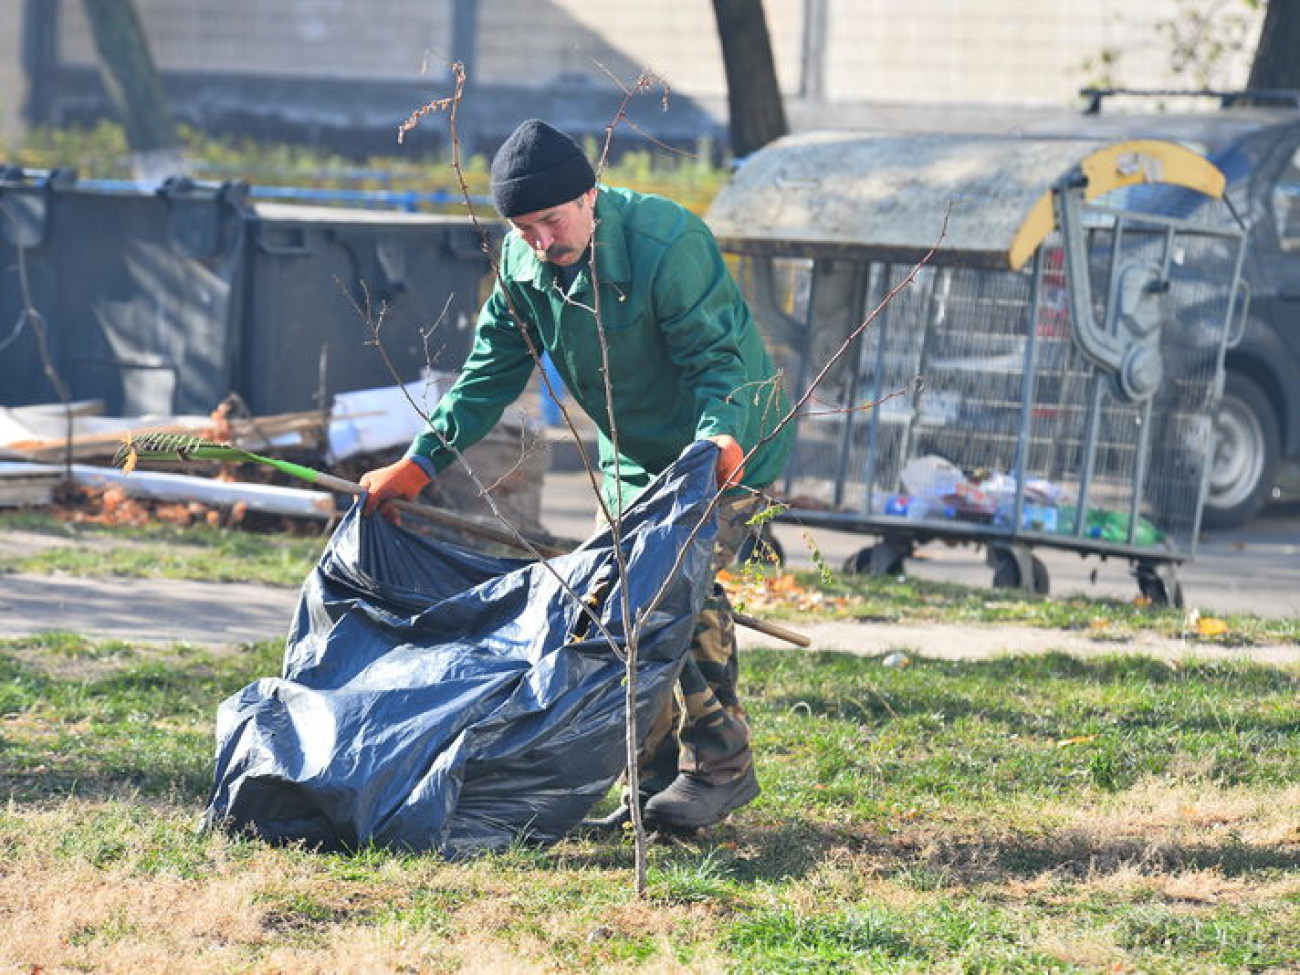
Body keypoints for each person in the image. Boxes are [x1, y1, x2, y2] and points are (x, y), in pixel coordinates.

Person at [360, 118, 793, 831]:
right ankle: (646, 790)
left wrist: (722, 436)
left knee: (665, 594)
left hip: (724, 443)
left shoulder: (667, 244)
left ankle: (720, 765)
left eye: (551, 221)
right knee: (604, 608)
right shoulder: (523, 264)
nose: (540, 241)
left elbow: (722, 364)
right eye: (523, 228)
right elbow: (487, 375)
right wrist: (420, 461)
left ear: (590, 197)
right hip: (628, 460)